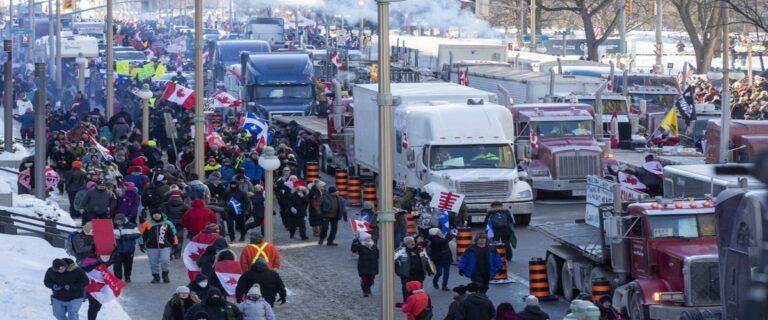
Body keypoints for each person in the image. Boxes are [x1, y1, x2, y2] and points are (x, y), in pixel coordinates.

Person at [139, 209, 178, 283]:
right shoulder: (147, 223)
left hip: (165, 246)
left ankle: (165, 275)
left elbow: (173, 234)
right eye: (154, 214)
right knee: (153, 262)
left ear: (161, 215)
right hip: (151, 247)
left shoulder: (167, 223)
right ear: (152, 215)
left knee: (165, 260)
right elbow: (142, 234)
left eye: (158, 214)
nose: (156, 215)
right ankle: (156, 276)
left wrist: (175, 244)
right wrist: (141, 244)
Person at [395, 236, 429, 301]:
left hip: (419, 273)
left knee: (419, 287)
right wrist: (398, 271)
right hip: (406, 274)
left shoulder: (420, 249)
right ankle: (407, 301)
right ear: (405, 243)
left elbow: (426, 259)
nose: (412, 243)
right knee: (406, 288)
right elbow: (393, 261)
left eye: (412, 241)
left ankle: (418, 301)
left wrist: (429, 270)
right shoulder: (400, 250)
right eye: (409, 242)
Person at [350, 232, 379, 297]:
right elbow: (354, 250)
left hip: (373, 265)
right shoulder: (360, 245)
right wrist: (355, 241)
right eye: (367, 238)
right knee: (365, 279)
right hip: (363, 265)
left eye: (369, 238)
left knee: (371, 280)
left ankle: (368, 287)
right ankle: (365, 291)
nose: (369, 239)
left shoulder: (374, 245)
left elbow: (377, 254)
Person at [113, 214, 140, 282]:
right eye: (117, 221)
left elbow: (138, 234)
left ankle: (127, 276)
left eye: (120, 221)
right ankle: (118, 279)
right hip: (117, 249)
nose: (118, 223)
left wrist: (127, 236)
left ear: (123, 221)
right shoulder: (112, 226)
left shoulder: (132, 226)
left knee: (128, 264)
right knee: (117, 265)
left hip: (129, 249)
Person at [165, 191, 190, 258]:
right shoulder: (184, 205)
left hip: (169, 224)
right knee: (179, 239)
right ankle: (177, 254)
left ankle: (170, 251)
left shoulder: (167, 205)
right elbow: (189, 213)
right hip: (180, 224)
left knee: (170, 238)